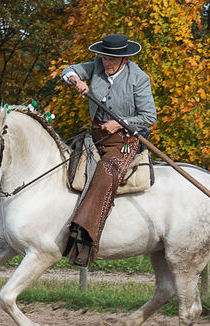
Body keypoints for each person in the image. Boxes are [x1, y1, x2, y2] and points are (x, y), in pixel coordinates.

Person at [61, 33, 157, 266]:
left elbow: (149, 117)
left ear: (125, 59)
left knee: (105, 176)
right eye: (104, 58)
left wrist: (119, 122)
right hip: (95, 136)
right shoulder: (95, 66)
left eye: (112, 60)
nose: (107, 63)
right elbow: (67, 70)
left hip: (124, 142)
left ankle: (85, 240)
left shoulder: (139, 79)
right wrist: (77, 81)